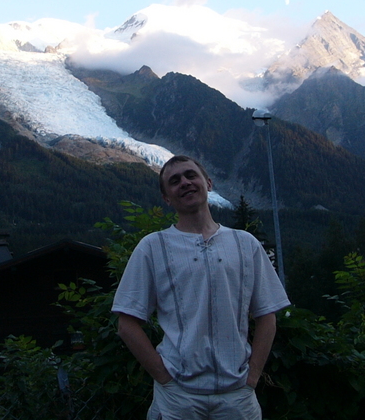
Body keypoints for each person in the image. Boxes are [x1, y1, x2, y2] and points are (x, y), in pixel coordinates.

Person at [112, 155, 290, 420]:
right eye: (174, 181)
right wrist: (165, 380)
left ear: (208, 183)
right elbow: (126, 324)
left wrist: (252, 377)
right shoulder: (152, 247)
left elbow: (267, 315)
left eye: (190, 175)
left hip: (237, 397)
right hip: (179, 398)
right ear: (166, 198)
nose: (184, 183)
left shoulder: (245, 244)